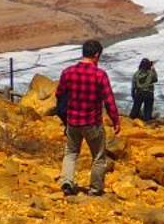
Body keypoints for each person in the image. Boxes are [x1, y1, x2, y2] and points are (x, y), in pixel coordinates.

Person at [55, 39, 121, 196]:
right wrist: (116, 120)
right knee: (98, 157)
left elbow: (59, 94)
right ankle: (95, 188)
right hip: (92, 123)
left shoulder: (68, 72)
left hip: (72, 122)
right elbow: (109, 100)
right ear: (96, 55)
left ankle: (67, 181)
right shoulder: (100, 75)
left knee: (71, 153)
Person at [129, 58, 158, 123]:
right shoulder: (151, 73)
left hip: (139, 93)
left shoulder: (136, 74)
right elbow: (155, 79)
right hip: (149, 93)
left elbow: (133, 86)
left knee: (135, 111)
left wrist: (133, 95)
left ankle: (132, 122)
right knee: (147, 111)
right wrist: (153, 68)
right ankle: (146, 123)